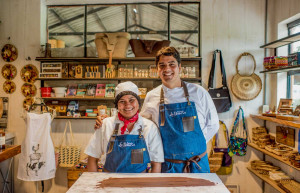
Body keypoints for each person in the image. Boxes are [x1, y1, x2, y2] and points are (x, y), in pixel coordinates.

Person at [95, 47, 219, 173]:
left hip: (197, 164)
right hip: (167, 166)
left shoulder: (198, 92)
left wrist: (190, 145)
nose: (167, 69)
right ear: (157, 70)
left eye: (172, 64)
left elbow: (213, 124)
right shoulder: (152, 96)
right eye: (162, 65)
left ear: (179, 67)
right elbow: (138, 123)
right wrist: (109, 120)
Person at [85, 81, 164, 173]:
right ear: (117, 105)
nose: (127, 105)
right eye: (122, 101)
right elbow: (92, 158)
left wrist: (150, 186)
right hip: (109, 181)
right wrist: (94, 184)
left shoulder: (149, 127)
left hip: (139, 183)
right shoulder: (106, 124)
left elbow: (156, 163)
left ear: (138, 103)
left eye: (131, 100)